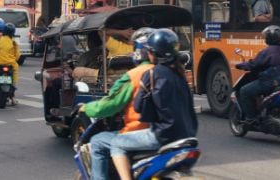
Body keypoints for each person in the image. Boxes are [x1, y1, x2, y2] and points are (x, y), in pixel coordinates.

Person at [110, 29, 197, 180]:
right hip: (188, 135)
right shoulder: (181, 74)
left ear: (153, 53)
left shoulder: (151, 73)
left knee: (116, 143)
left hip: (163, 135)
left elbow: (138, 107)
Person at [82, 27, 156, 180]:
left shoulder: (134, 75)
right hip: (176, 133)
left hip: (145, 132)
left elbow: (111, 105)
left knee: (98, 141)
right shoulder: (174, 72)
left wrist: (87, 108)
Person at [236, 25, 280, 124]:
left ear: (270, 38)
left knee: (244, 91)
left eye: (266, 36)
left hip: (268, 82)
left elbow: (254, 64)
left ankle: (251, 118)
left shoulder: (267, 51)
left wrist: (241, 65)